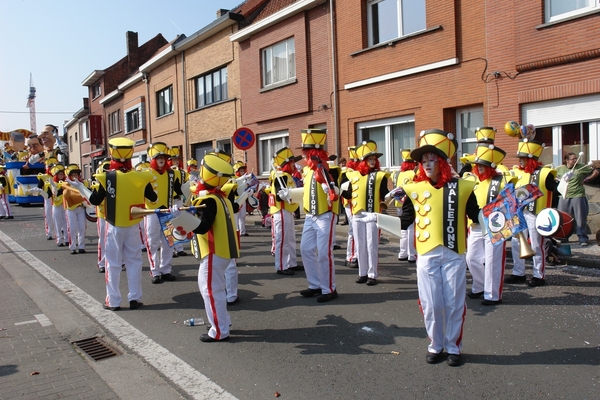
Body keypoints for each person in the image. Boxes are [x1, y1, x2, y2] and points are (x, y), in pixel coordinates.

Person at [399, 129, 480, 367]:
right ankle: (435, 345)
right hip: (426, 254)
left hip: (454, 253)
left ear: (442, 162)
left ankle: (453, 346)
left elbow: (477, 216)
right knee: (431, 302)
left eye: (431, 159)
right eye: (423, 161)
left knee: (454, 301)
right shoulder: (413, 189)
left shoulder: (463, 187)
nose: (426, 164)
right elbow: (404, 220)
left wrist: (501, 217)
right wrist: (379, 219)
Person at [88, 137, 157, 311]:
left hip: (114, 226)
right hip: (133, 226)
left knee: (113, 263)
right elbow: (153, 198)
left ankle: (113, 301)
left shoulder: (107, 177)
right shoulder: (142, 176)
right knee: (134, 262)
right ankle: (135, 298)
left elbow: (95, 200)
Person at [188, 153, 240, 342]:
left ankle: (219, 330)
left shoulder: (209, 199)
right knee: (216, 288)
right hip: (222, 251)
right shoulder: (222, 198)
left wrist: (183, 220)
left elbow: (202, 227)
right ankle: (223, 322)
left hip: (213, 250)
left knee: (210, 290)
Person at [464, 140, 513, 305]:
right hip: (476, 226)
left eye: (483, 165)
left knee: (493, 261)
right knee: (471, 258)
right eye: (477, 165)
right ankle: (479, 286)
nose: (479, 168)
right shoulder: (472, 180)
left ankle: (493, 295)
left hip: (495, 226)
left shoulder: (500, 180)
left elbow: (509, 202)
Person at [505, 138, 557, 287]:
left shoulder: (545, 173)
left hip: (536, 214)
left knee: (536, 245)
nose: (520, 161)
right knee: (516, 243)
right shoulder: (515, 173)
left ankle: (538, 275)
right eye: (520, 158)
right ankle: (518, 272)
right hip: (518, 213)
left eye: (523, 158)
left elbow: (555, 193)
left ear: (532, 160)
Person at [299, 128, 340, 302]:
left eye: (310, 154)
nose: (307, 157)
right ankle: (314, 284)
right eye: (307, 154)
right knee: (306, 249)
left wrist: (330, 187)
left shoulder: (332, 169)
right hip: (310, 215)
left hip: (325, 214)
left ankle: (329, 288)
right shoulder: (307, 171)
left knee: (324, 252)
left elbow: (337, 191)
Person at [341, 140, 389, 286]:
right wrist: (339, 191)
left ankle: (372, 274)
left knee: (371, 245)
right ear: (363, 161)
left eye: (374, 158)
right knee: (360, 245)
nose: (373, 161)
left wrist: (390, 199)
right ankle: (362, 273)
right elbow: (349, 194)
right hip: (357, 214)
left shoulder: (380, 176)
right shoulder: (354, 176)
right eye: (370, 158)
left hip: (372, 214)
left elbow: (385, 194)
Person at [144, 142, 182, 284]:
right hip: (152, 212)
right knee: (152, 242)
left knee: (169, 242)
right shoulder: (146, 173)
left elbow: (179, 190)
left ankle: (166, 270)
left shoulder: (172, 173)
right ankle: (155, 271)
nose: (161, 159)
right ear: (153, 159)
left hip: (168, 210)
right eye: (158, 156)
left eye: (164, 157)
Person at [269, 147, 302, 276]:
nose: (294, 165)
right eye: (292, 162)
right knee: (282, 239)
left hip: (287, 211)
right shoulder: (281, 176)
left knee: (290, 239)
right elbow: (278, 195)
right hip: (281, 210)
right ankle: (281, 265)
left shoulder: (287, 176)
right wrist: (285, 194)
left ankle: (292, 263)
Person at [556, 152, 594, 246]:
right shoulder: (560, 168)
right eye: (573, 159)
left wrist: (586, 180)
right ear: (567, 160)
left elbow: (596, 171)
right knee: (563, 219)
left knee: (580, 218)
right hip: (564, 196)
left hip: (578, 195)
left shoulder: (582, 167)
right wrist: (559, 180)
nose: (575, 160)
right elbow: (553, 175)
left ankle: (583, 238)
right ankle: (564, 237)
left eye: (576, 158)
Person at [392, 149, 417, 263]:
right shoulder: (414, 173)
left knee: (402, 228)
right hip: (410, 203)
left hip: (398, 203)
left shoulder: (396, 173)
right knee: (411, 228)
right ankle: (411, 254)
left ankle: (402, 253)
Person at [168, 147, 188, 257]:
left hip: (179, 200)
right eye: (173, 159)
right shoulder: (168, 172)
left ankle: (179, 248)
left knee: (180, 224)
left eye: (177, 159)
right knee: (170, 226)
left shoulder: (182, 172)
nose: (176, 161)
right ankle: (171, 249)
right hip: (169, 201)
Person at [63, 164, 87, 254]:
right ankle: (72, 247)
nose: (75, 177)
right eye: (73, 175)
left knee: (82, 228)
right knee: (72, 228)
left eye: (76, 175)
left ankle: (81, 246)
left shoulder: (82, 183)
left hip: (80, 208)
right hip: (70, 209)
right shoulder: (66, 183)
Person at [342, 147, 359, 268]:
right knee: (354, 229)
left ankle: (358, 255)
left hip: (360, 203)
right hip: (350, 202)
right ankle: (351, 256)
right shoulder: (347, 172)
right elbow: (343, 188)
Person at [37, 157, 59, 240]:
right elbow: (39, 187)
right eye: (50, 166)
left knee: (60, 216)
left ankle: (61, 231)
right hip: (48, 198)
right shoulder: (43, 177)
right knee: (48, 215)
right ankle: (49, 232)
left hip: (58, 198)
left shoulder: (58, 176)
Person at [50, 164, 68, 247]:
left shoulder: (66, 183)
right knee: (57, 223)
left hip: (65, 205)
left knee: (66, 222)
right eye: (59, 174)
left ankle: (67, 239)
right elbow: (48, 194)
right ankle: (59, 240)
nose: (61, 175)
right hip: (56, 205)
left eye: (62, 174)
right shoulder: (52, 183)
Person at [233, 161, 249, 236]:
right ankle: (236, 230)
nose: (243, 172)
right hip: (236, 200)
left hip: (243, 198)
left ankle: (243, 231)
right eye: (241, 171)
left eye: (243, 170)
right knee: (236, 216)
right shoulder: (234, 179)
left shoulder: (245, 178)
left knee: (242, 216)